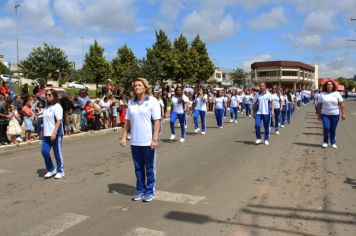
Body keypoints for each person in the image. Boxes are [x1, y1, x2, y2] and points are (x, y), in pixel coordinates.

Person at [120, 78, 161, 202]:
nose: (136, 87)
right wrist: (124, 136)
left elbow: (157, 121)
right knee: (138, 167)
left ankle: (150, 190)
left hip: (148, 141)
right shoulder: (131, 103)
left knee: (149, 167)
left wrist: (154, 139)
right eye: (135, 86)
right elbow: (127, 121)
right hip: (135, 141)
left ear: (145, 87)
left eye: (139, 85)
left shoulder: (152, 101)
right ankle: (140, 189)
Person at [41, 89, 65, 179]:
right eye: (46, 94)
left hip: (56, 133)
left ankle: (60, 171)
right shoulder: (47, 107)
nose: (47, 96)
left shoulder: (57, 106)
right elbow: (45, 121)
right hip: (46, 134)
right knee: (44, 151)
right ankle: (51, 170)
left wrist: (54, 133)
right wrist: (43, 132)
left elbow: (59, 121)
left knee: (57, 153)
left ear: (54, 96)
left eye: (49, 95)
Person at [317, 80, 346, 149]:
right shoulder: (322, 94)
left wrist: (343, 113)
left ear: (333, 86)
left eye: (331, 84)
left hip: (335, 114)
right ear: (326, 86)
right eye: (328, 84)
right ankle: (325, 142)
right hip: (325, 114)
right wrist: (319, 114)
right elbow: (319, 105)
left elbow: (342, 104)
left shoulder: (337, 94)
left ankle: (333, 142)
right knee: (326, 128)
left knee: (332, 129)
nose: (329, 85)